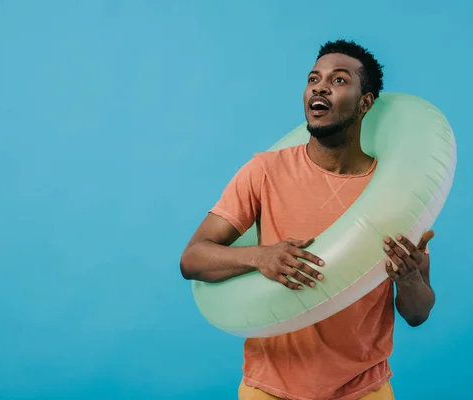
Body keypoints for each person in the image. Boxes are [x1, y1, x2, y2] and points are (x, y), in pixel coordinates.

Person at [180, 39, 436, 400]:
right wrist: (259, 256)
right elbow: (192, 259)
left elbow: (418, 314)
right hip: (270, 386)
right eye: (314, 78)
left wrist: (409, 279)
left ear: (365, 103)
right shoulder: (264, 171)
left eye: (339, 80)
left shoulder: (394, 191)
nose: (320, 87)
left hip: (362, 387)